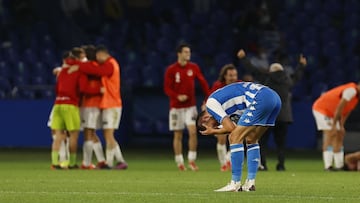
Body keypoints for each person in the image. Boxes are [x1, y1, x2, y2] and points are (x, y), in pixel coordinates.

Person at [197, 82, 281, 192]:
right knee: (252, 139)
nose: (216, 125)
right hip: (274, 98)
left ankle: (235, 183)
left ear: (205, 118)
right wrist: (217, 129)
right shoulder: (229, 108)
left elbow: (231, 129)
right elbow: (236, 128)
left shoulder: (211, 104)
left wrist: (213, 131)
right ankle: (250, 183)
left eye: (205, 126)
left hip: (261, 97)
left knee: (233, 137)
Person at [237, 49, 307, 171]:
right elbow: (297, 76)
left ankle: (263, 164)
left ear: (271, 70)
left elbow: (252, 70)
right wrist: (301, 65)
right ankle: (281, 165)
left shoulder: (266, 78)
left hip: (268, 115)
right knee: (281, 143)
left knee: (262, 141)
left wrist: (243, 58)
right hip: (284, 116)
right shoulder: (287, 80)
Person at [71, 45, 128, 169]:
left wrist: (78, 66)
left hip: (112, 104)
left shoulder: (110, 64)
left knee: (105, 135)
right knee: (104, 134)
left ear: (103, 54)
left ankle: (108, 162)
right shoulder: (105, 64)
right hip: (107, 104)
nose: (96, 59)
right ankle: (115, 161)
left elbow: (99, 72)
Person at [50, 51, 104, 169]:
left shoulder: (62, 70)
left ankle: (54, 163)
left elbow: (56, 88)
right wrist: (98, 91)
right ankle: (72, 163)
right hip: (70, 104)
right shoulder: (80, 70)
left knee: (58, 135)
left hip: (58, 104)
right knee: (73, 136)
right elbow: (83, 89)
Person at [164, 42, 210, 171]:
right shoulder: (171, 70)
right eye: (185, 52)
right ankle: (179, 162)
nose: (188, 54)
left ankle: (191, 160)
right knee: (178, 134)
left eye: (189, 52)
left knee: (193, 132)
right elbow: (167, 88)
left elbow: (203, 83)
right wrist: (177, 96)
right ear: (179, 54)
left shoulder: (194, 67)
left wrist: (207, 99)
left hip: (190, 107)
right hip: (176, 107)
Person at [74, 45, 109, 169]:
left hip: (89, 104)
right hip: (95, 104)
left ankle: (87, 163)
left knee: (88, 133)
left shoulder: (86, 68)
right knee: (91, 132)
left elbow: (83, 88)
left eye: (83, 54)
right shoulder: (95, 67)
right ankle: (101, 161)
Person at [312, 82, 360, 171]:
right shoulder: (352, 90)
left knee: (339, 136)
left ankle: (339, 165)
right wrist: (334, 125)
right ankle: (328, 166)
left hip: (332, 113)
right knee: (330, 134)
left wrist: (341, 126)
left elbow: (346, 111)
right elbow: (340, 107)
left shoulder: (357, 97)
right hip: (322, 109)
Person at [209, 64, 240, 171]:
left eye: (235, 75)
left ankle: (228, 159)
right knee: (221, 138)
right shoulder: (218, 85)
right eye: (231, 75)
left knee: (237, 137)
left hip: (236, 115)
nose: (233, 78)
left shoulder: (239, 85)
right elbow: (210, 99)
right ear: (225, 76)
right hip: (221, 115)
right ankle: (223, 164)